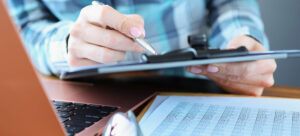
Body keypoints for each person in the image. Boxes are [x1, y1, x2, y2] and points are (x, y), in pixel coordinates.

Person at [7, 0, 276, 96]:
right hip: (85, 97)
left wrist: (240, 43)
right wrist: (65, 45)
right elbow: (27, 26)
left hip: (192, 91)